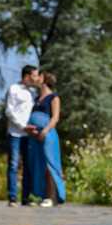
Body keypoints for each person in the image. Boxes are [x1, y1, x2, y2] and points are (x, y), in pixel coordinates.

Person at [28, 71, 66, 207]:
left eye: (38, 76)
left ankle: (51, 197)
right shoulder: (36, 99)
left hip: (48, 134)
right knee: (38, 165)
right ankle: (40, 196)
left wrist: (45, 130)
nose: (36, 78)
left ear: (43, 79)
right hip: (35, 136)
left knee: (50, 165)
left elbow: (55, 118)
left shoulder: (54, 97)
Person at [5, 65, 39, 207]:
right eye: (35, 76)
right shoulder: (14, 89)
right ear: (27, 76)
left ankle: (26, 197)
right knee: (13, 165)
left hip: (28, 135)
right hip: (15, 133)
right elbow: (9, 111)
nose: (37, 79)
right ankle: (12, 197)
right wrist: (22, 126)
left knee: (28, 166)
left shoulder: (32, 93)